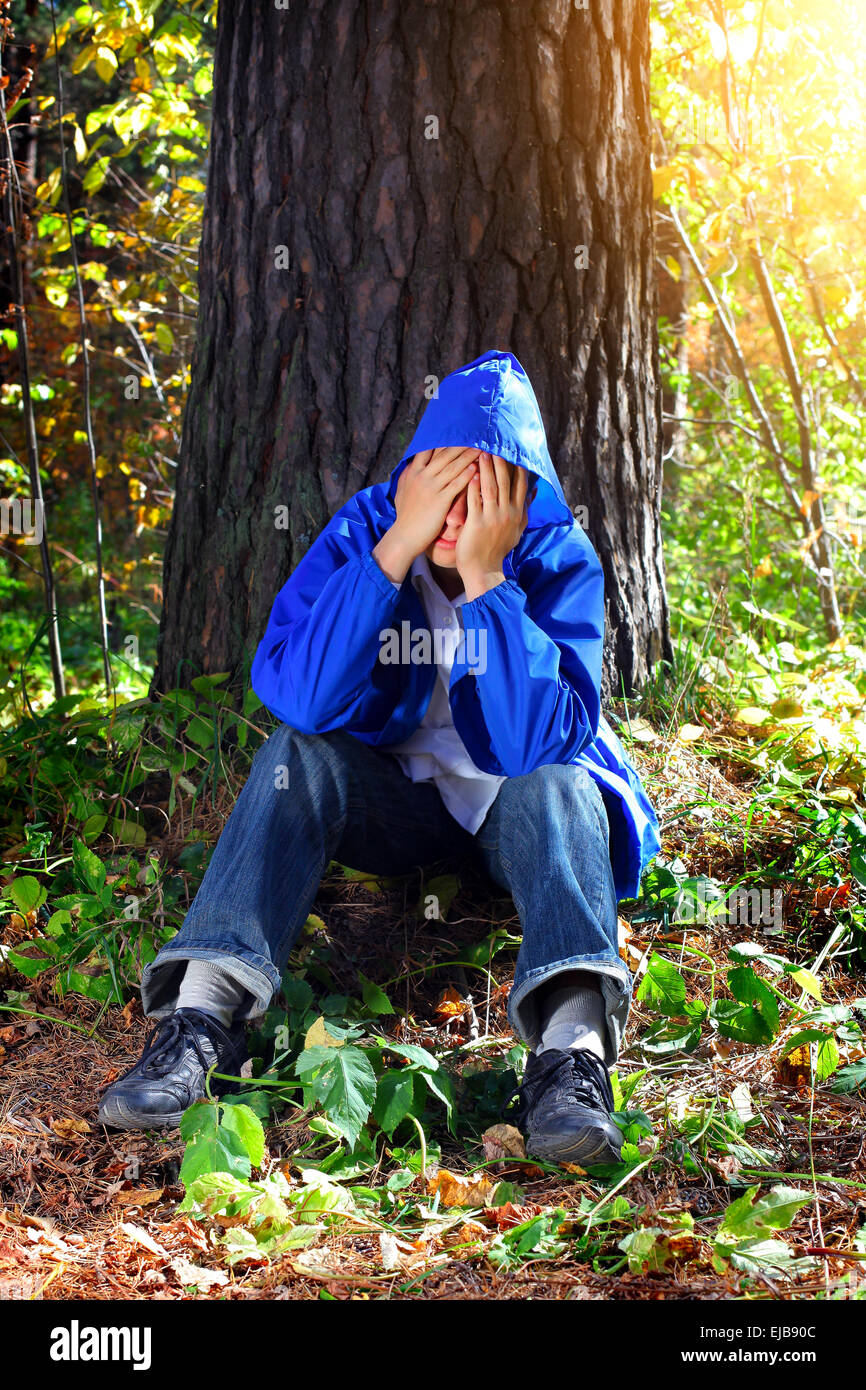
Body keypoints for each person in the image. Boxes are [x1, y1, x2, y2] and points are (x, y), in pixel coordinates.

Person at [98, 349, 661, 1166]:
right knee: (298, 751)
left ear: (522, 497)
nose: (459, 513)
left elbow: (539, 740)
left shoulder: (555, 558)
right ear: (413, 476)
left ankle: (570, 1056)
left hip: (516, 809)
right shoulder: (368, 529)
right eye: (444, 484)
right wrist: (395, 547)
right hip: (391, 800)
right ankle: (202, 1019)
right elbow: (301, 698)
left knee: (560, 775)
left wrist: (488, 582)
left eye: (487, 492)